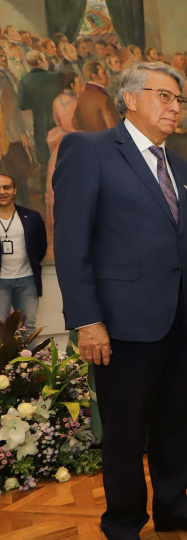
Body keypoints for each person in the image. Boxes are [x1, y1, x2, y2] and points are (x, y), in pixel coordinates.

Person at [54, 62, 187, 540]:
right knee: (127, 432)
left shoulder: (185, 168)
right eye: (165, 97)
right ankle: (123, 528)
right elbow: (71, 244)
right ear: (129, 99)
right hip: (122, 323)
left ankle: (174, 505)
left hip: (180, 320)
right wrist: (87, 320)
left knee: (178, 421)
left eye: (180, 101)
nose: (176, 107)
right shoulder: (89, 151)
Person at [0, 173, 46, 333]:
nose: (2, 192)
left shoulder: (31, 217)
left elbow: (40, 247)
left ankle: (28, 359)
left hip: (27, 281)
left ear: (15, 190)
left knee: (27, 328)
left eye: (6, 187)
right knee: (1, 329)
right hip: (0, 282)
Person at [45, 70, 82, 229]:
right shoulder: (78, 102)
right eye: (79, 82)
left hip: (61, 145)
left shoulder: (56, 101)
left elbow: (57, 120)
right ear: (72, 85)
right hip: (77, 143)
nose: (81, 85)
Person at [17, 51, 56, 188]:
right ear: (39, 62)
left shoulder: (25, 80)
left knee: (43, 158)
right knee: (58, 154)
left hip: (39, 121)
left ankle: (46, 194)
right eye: (45, 59)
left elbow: (22, 105)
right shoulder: (54, 77)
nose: (47, 61)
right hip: (56, 120)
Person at [0, 48, 30, 208]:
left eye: (4, 55)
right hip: (9, 135)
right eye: (0, 56)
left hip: (7, 135)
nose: (4, 58)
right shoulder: (2, 78)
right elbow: (11, 108)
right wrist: (21, 132)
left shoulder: (6, 75)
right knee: (18, 173)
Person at [73, 61, 119, 131]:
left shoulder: (82, 96)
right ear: (95, 77)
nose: (107, 76)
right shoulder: (104, 100)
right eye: (104, 73)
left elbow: (76, 124)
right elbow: (115, 130)